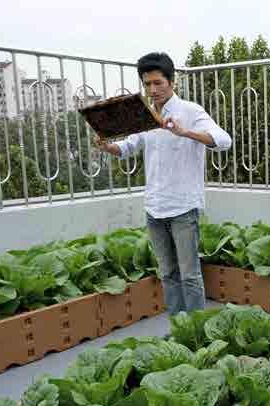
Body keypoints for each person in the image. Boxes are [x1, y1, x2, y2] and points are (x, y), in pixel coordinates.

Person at [94, 52, 231, 314]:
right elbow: (128, 147)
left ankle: (198, 332)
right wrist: (107, 146)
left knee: (190, 275)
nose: (152, 89)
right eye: (147, 84)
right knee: (167, 273)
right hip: (154, 207)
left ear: (172, 81)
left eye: (158, 83)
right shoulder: (145, 115)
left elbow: (224, 140)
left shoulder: (190, 111)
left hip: (182, 207)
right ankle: (179, 329)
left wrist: (185, 132)